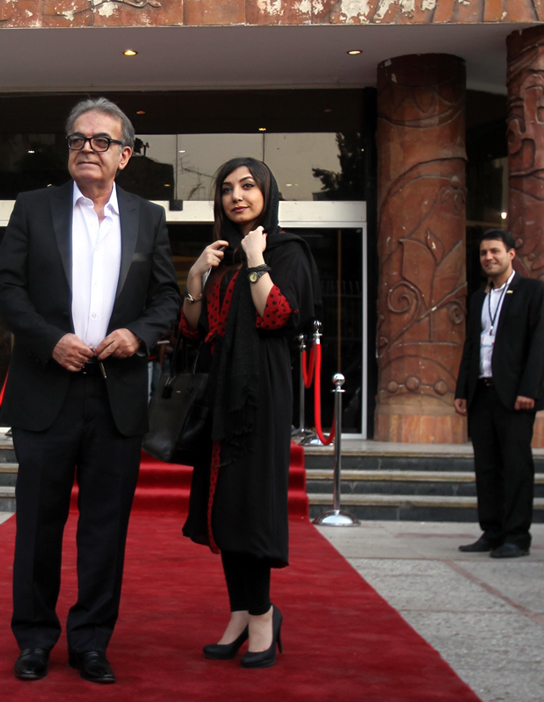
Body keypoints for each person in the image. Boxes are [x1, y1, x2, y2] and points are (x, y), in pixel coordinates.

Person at [0, 97, 179, 684]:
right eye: (77, 139)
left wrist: (137, 335)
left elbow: (166, 299)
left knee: (105, 529)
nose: (87, 149)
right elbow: (6, 288)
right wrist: (50, 341)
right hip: (47, 392)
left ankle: (92, 642)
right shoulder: (33, 207)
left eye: (101, 141)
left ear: (124, 155)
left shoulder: (148, 218)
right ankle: (34, 639)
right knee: (37, 526)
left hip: (115, 397)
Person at [180, 157, 319, 669]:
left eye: (247, 186)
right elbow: (192, 328)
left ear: (267, 193)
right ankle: (241, 612)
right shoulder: (223, 256)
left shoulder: (286, 251)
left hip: (259, 394)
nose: (236, 195)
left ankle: (263, 616)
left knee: (250, 507)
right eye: (226, 188)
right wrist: (195, 276)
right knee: (225, 508)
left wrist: (258, 258)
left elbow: (277, 315)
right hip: (221, 392)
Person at [454, 229, 544, 559]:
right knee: (486, 467)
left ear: (511, 254)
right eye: (484, 252)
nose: (488, 257)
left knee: (516, 466)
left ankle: (517, 535)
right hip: (482, 393)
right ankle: (492, 530)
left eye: (495, 251)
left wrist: (530, 390)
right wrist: (462, 389)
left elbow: (540, 343)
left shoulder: (533, 291)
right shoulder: (478, 298)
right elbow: (471, 346)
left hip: (515, 395)